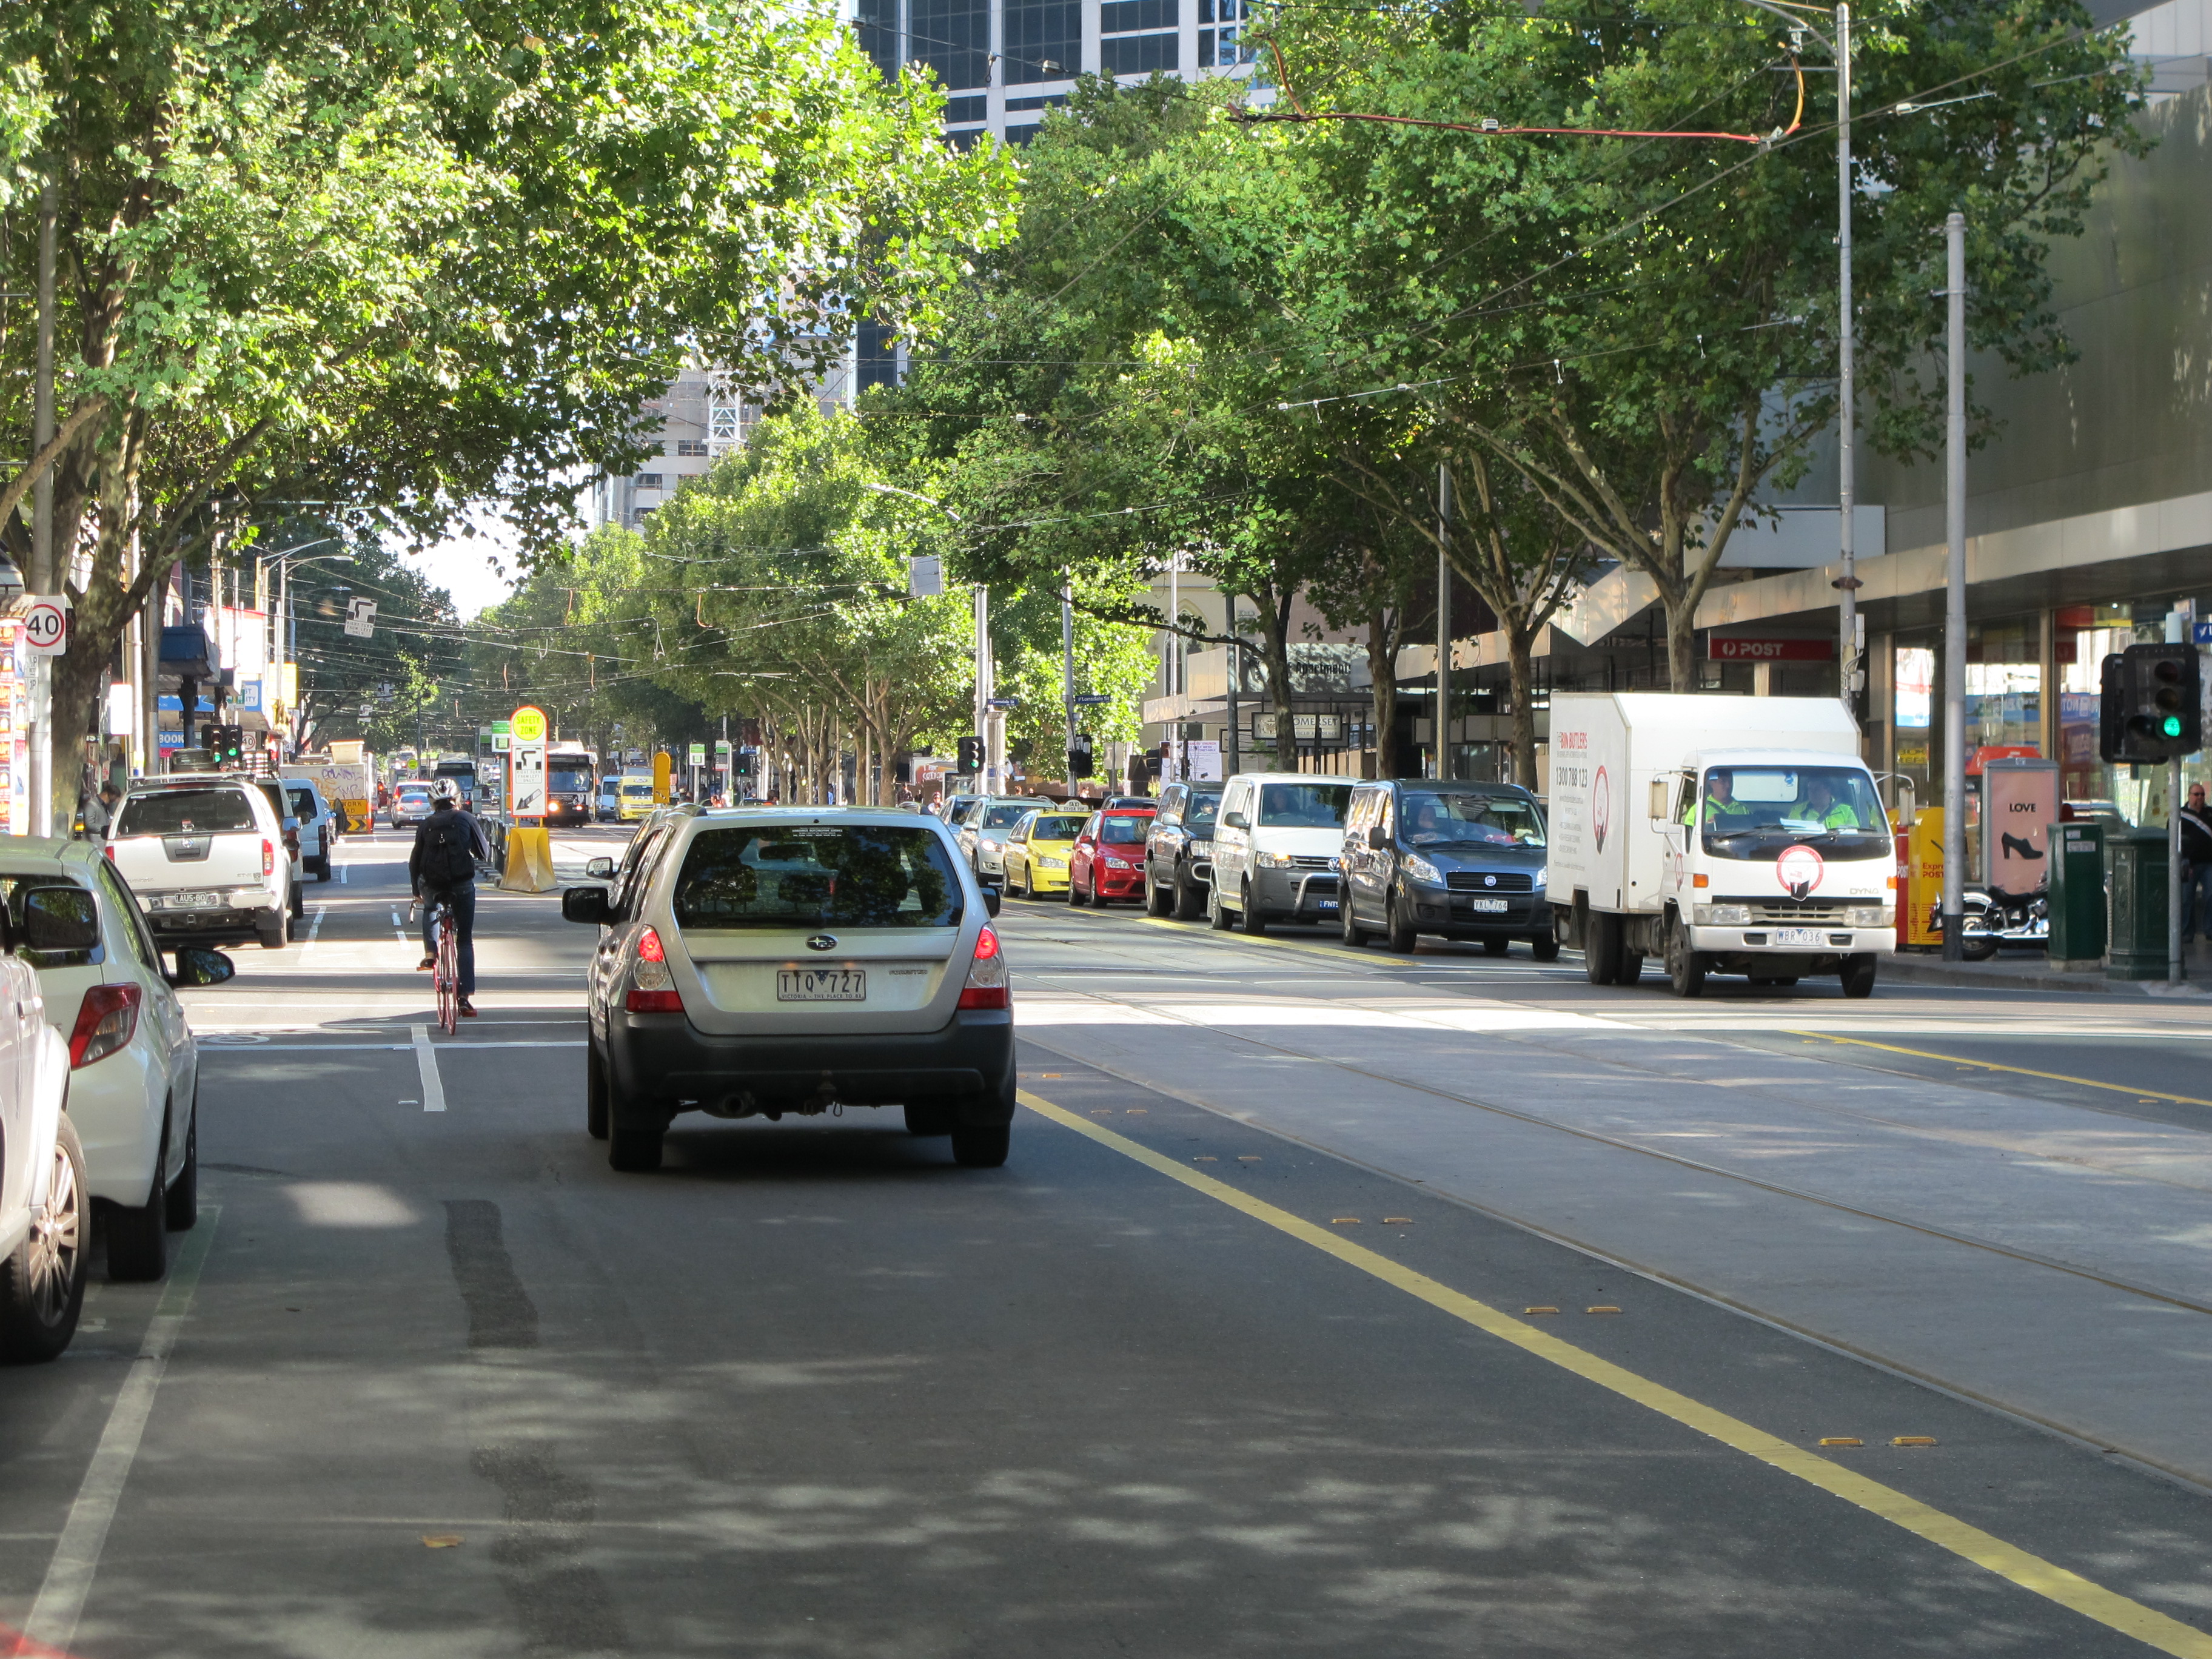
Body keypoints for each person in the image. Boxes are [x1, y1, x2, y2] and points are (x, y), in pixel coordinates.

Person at [409, 778, 491, 1018]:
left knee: (431, 909)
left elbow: (415, 861)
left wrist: (416, 890)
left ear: (432, 802)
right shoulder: (466, 819)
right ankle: (465, 996)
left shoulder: (426, 825)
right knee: (464, 940)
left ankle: (431, 954)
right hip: (462, 884)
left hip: (433, 884)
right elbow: (484, 852)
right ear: (457, 800)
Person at [2180, 782, 2212, 945]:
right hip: (2189, 864)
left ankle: (2210, 930)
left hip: (2209, 863)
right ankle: (2186, 933)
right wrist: (2183, 862)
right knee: (2187, 899)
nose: (2200, 798)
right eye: (2196, 795)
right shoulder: (2180, 815)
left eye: (2202, 795)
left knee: (2211, 895)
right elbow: (2175, 842)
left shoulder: (2210, 813)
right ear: (2189, 796)